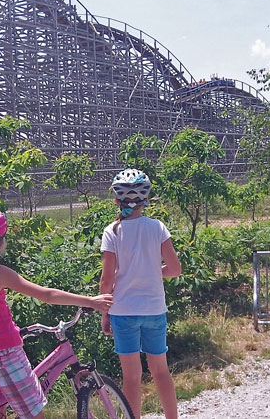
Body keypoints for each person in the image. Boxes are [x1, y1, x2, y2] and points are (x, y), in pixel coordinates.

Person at [0, 205, 113, 419]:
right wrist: (91, 301)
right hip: (8, 354)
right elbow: (47, 295)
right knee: (34, 415)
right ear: (0, 243)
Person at [99, 169, 182, 419]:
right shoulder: (157, 227)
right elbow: (175, 269)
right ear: (146, 200)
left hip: (123, 312)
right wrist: (154, 272)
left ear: (117, 201)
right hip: (154, 309)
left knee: (131, 377)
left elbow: (107, 279)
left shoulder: (111, 231)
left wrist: (105, 313)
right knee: (161, 371)